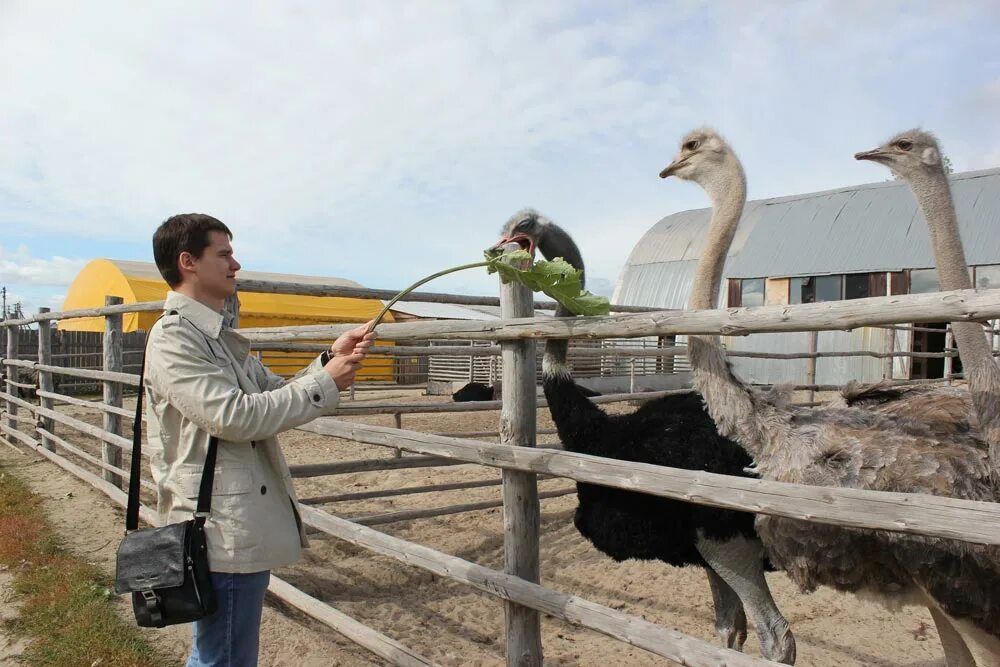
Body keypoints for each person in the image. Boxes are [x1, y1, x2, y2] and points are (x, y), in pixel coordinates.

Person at [145, 213, 376, 666]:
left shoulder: (212, 335)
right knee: (225, 656)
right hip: (220, 528)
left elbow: (270, 391)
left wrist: (330, 358)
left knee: (220, 651)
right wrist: (326, 382)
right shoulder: (175, 337)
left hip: (234, 520)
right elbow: (233, 417)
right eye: (224, 253)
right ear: (188, 262)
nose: (236, 264)